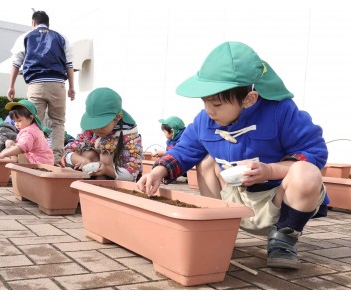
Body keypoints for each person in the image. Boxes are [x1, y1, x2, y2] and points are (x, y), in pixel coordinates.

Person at [137, 41, 329, 270]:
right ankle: (215, 228)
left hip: (276, 201)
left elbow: (313, 153)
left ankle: (283, 240)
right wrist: (158, 171)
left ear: (249, 99)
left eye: (216, 103)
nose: (209, 110)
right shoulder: (205, 121)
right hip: (234, 200)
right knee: (205, 161)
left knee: (306, 172)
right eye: (205, 102)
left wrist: (270, 170)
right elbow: (184, 149)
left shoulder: (282, 111)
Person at [7, 10, 75, 166]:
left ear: (33, 23)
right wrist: (72, 87)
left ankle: (29, 162)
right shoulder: (61, 37)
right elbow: (69, 65)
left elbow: (16, 63)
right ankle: (56, 161)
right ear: (48, 24)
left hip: (36, 85)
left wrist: (11, 86)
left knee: (32, 123)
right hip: (58, 84)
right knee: (58, 122)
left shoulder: (25, 37)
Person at [61, 87, 143, 181]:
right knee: (89, 154)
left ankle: (102, 191)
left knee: (105, 155)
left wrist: (106, 170)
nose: (96, 130)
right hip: (94, 174)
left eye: (101, 125)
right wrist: (83, 161)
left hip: (116, 180)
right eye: (93, 125)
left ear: (117, 117)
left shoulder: (130, 137)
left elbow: (131, 173)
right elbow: (68, 152)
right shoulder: (90, 131)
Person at [0, 100, 54, 165]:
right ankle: (12, 162)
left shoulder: (29, 132)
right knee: (9, 143)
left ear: (31, 118)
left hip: (38, 164)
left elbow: (21, 147)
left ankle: (13, 164)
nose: (16, 124)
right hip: (44, 162)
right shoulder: (34, 128)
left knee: (10, 144)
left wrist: (2, 154)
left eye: (19, 121)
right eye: (14, 121)